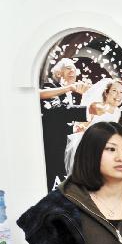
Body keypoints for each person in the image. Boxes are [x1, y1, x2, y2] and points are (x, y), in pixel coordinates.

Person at [39, 58, 92, 190]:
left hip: (65, 147)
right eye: (68, 67)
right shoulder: (50, 86)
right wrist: (88, 110)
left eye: (74, 68)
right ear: (58, 74)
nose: (73, 70)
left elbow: (62, 119)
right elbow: (56, 111)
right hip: (52, 147)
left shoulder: (71, 95)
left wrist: (75, 127)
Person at [64, 79, 122, 175]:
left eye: (121, 92)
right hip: (89, 148)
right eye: (114, 91)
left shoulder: (117, 112)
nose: (118, 95)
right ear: (106, 93)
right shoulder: (95, 107)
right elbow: (78, 128)